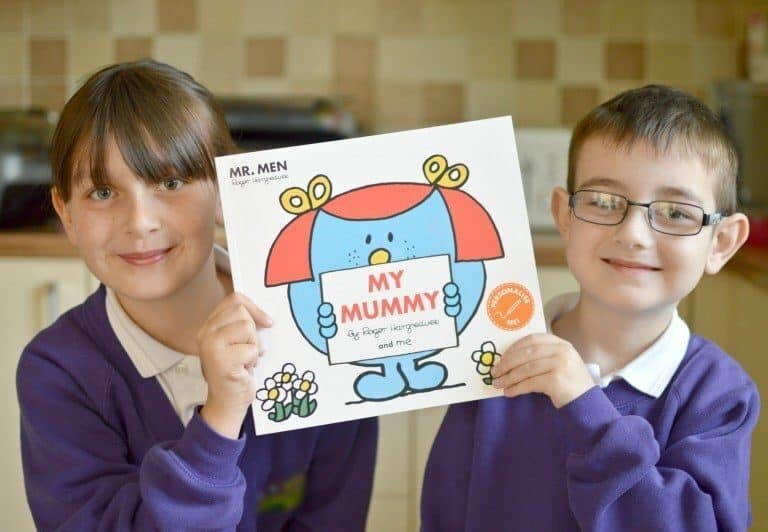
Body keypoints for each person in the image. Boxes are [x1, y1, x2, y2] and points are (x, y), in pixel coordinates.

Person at [16, 60, 377, 531]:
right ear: (65, 213)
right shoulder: (58, 373)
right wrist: (221, 418)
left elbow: (333, 518)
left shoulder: (318, 332)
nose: (140, 222)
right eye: (103, 192)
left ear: (227, 190)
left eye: (170, 183)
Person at [421, 85, 758, 531]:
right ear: (564, 215)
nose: (634, 234)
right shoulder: (497, 358)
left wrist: (585, 406)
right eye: (603, 202)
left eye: (676, 213)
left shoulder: (719, 394)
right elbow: (444, 512)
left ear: (721, 242)